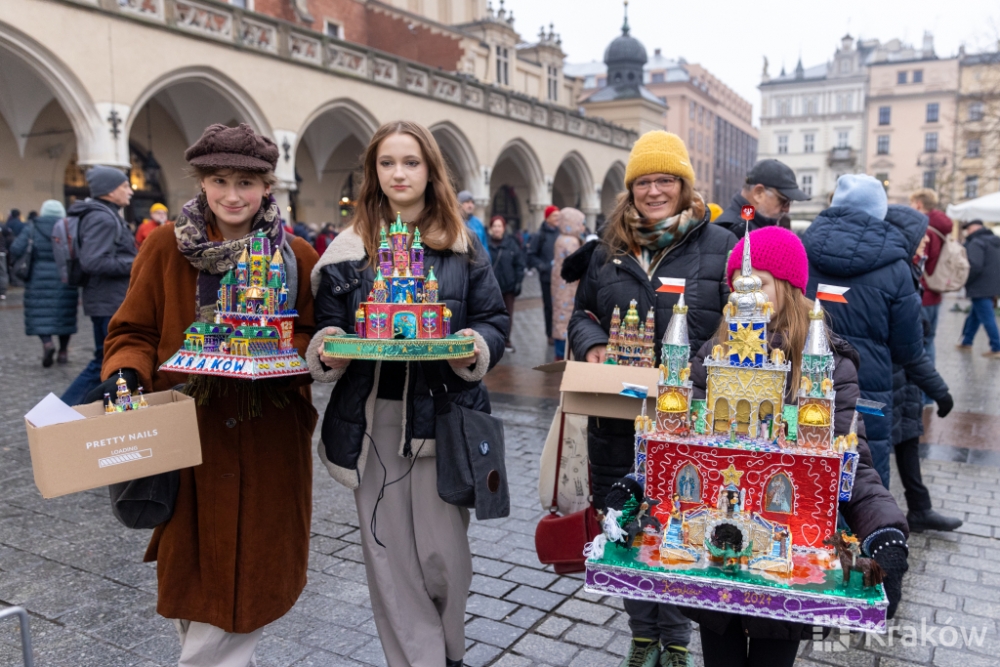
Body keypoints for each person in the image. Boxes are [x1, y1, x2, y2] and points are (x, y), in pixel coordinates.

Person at [99, 122, 319, 665]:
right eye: (219, 180)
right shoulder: (163, 251)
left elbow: (316, 334)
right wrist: (124, 376)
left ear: (267, 186)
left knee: (252, 582)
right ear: (202, 183)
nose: (233, 195)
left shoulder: (296, 256)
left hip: (267, 441)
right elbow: (132, 333)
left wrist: (272, 349)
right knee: (196, 582)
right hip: (187, 440)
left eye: (247, 182)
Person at [309, 120, 508, 667]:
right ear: (373, 172)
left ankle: (449, 653)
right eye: (388, 162)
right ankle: (416, 661)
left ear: (430, 170)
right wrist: (329, 347)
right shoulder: (349, 250)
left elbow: (493, 319)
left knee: (446, 559)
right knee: (391, 559)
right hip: (373, 421)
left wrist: (474, 347)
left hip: (444, 422)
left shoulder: (461, 245)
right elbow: (325, 327)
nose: (399, 173)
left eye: (411, 162)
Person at [685, 226, 909, 666]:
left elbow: (850, 460)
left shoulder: (826, 363)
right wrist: (637, 484)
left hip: (789, 548)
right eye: (736, 289)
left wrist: (884, 531)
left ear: (788, 288)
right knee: (720, 653)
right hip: (716, 549)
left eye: (759, 284)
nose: (745, 299)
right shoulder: (715, 352)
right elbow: (679, 442)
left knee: (773, 652)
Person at [569, 130, 737, 667]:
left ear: (685, 184)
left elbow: (737, 327)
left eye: (666, 179)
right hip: (618, 419)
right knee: (625, 524)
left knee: (681, 522)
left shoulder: (721, 246)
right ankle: (643, 636)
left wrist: (692, 371)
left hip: (687, 419)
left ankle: (678, 641)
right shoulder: (608, 249)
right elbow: (581, 315)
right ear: (631, 188)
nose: (654, 190)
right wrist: (592, 345)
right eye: (644, 181)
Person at [803, 174, 924, 487]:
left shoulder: (803, 250)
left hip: (807, 383)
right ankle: (869, 534)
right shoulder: (896, 266)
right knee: (867, 470)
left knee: (806, 467)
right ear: (880, 211)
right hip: (869, 392)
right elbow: (908, 349)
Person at [885, 205, 961, 532]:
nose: (925, 246)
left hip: (902, 377)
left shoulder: (909, 268)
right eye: (921, 240)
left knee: (908, 439)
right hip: (892, 373)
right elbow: (910, 344)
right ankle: (888, 516)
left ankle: (920, 508)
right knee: (893, 442)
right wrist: (940, 391)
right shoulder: (898, 272)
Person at [60, 166, 138, 406]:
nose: (130, 191)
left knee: (105, 361)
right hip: (108, 302)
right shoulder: (102, 217)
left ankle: (67, 416)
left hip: (107, 300)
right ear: (109, 190)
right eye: (125, 186)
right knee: (105, 362)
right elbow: (93, 261)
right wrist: (136, 262)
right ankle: (57, 417)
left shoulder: (105, 214)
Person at [9, 200, 78, 366]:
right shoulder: (68, 228)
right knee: (64, 315)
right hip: (65, 277)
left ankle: (47, 344)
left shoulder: (32, 227)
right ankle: (63, 352)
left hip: (37, 277)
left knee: (40, 314)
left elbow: (16, 248)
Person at [714, 159, 810, 239]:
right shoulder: (729, 232)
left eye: (790, 202)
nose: (787, 209)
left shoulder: (746, 227)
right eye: (784, 201)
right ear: (758, 193)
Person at [958, 219, 1000, 357]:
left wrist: (965, 280)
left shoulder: (976, 242)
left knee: (987, 316)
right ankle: (967, 341)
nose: (967, 232)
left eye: (968, 229)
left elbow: (974, 265)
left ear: (974, 228)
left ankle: (996, 347)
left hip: (979, 284)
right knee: (975, 314)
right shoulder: (995, 241)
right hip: (993, 283)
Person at [551, 207, 586, 361]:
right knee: (565, 320)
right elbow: (577, 264)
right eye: (581, 224)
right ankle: (563, 355)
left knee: (559, 318)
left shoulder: (560, 238)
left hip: (560, 287)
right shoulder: (571, 242)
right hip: (569, 289)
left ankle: (559, 353)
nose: (583, 227)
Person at [488, 215, 525, 353]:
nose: (497, 229)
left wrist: (518, 282)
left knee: (507, 315)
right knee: (491, 314)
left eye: (499, 226)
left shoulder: (511, 244)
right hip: (491, 288)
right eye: (495, 226)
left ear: (504, 228)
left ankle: (506, 340)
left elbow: (519, 264)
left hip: (508, 287)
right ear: (491, 228)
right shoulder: (486, 244)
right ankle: (492, 340)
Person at [528, 205, 561, 344]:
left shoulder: (561, 233)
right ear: (547, 218)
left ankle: (560, 331)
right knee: (549, 306)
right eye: (555, 216)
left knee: (560, 305)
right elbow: (531, 256)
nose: (558, 218)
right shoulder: (539, 235)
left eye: (559, 216)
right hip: (547, 277)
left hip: (561, 278)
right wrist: (543, 266)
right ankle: (550, 334)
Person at [457, 190, 489, 255]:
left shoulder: (478, 223)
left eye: (472, 202)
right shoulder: (455, 222)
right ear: (459, 204)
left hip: (477, 261)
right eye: (467, 202)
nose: (470, 205)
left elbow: (484, 245)